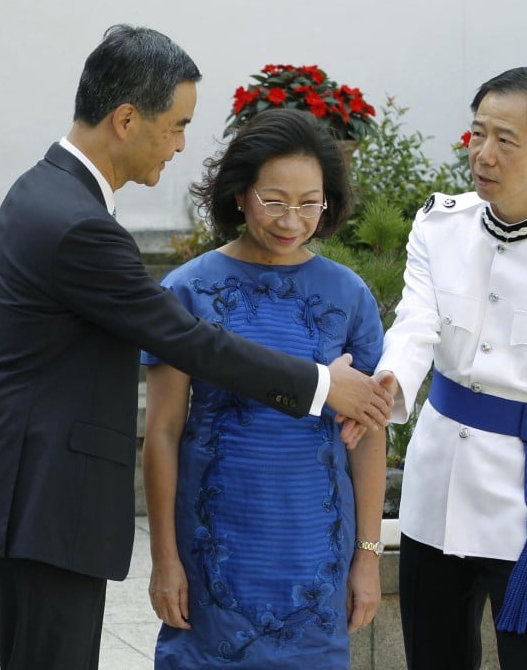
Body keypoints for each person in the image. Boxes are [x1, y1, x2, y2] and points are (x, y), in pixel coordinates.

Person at [0, 24, 392, 670]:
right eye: (176, 125)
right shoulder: (78, 224)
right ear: (127, 119)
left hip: (30, 505)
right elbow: (188, 340)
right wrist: (324, 385)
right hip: (42, 510)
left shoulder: (46, 192)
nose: (182, 143)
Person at [353, 67, 527, 669]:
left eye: (505, 140)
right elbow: (415, 325)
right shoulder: (440, 226)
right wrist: (387, 385)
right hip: (439, 495)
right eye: (477, 133)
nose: (483, 154)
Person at [142, 108, 387, 668]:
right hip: (216, 547)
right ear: (239, 194)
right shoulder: (187, 290)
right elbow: (161, 433)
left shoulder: (348, 295)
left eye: (309, 203)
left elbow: (370, 435)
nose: (291, 220)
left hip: (316, 548)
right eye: (274, 201)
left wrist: (368, 557)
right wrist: (165, 560)